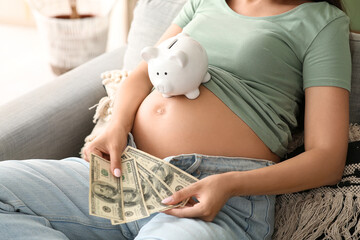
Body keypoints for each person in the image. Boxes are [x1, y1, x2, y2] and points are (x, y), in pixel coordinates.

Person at [0, 0, 351, 239]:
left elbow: (327, 157)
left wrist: (229, 185)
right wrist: (116, 127)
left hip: (214, 199)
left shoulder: (321, 22)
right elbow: (141, 74)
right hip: (125, 172)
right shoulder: (204, 3)